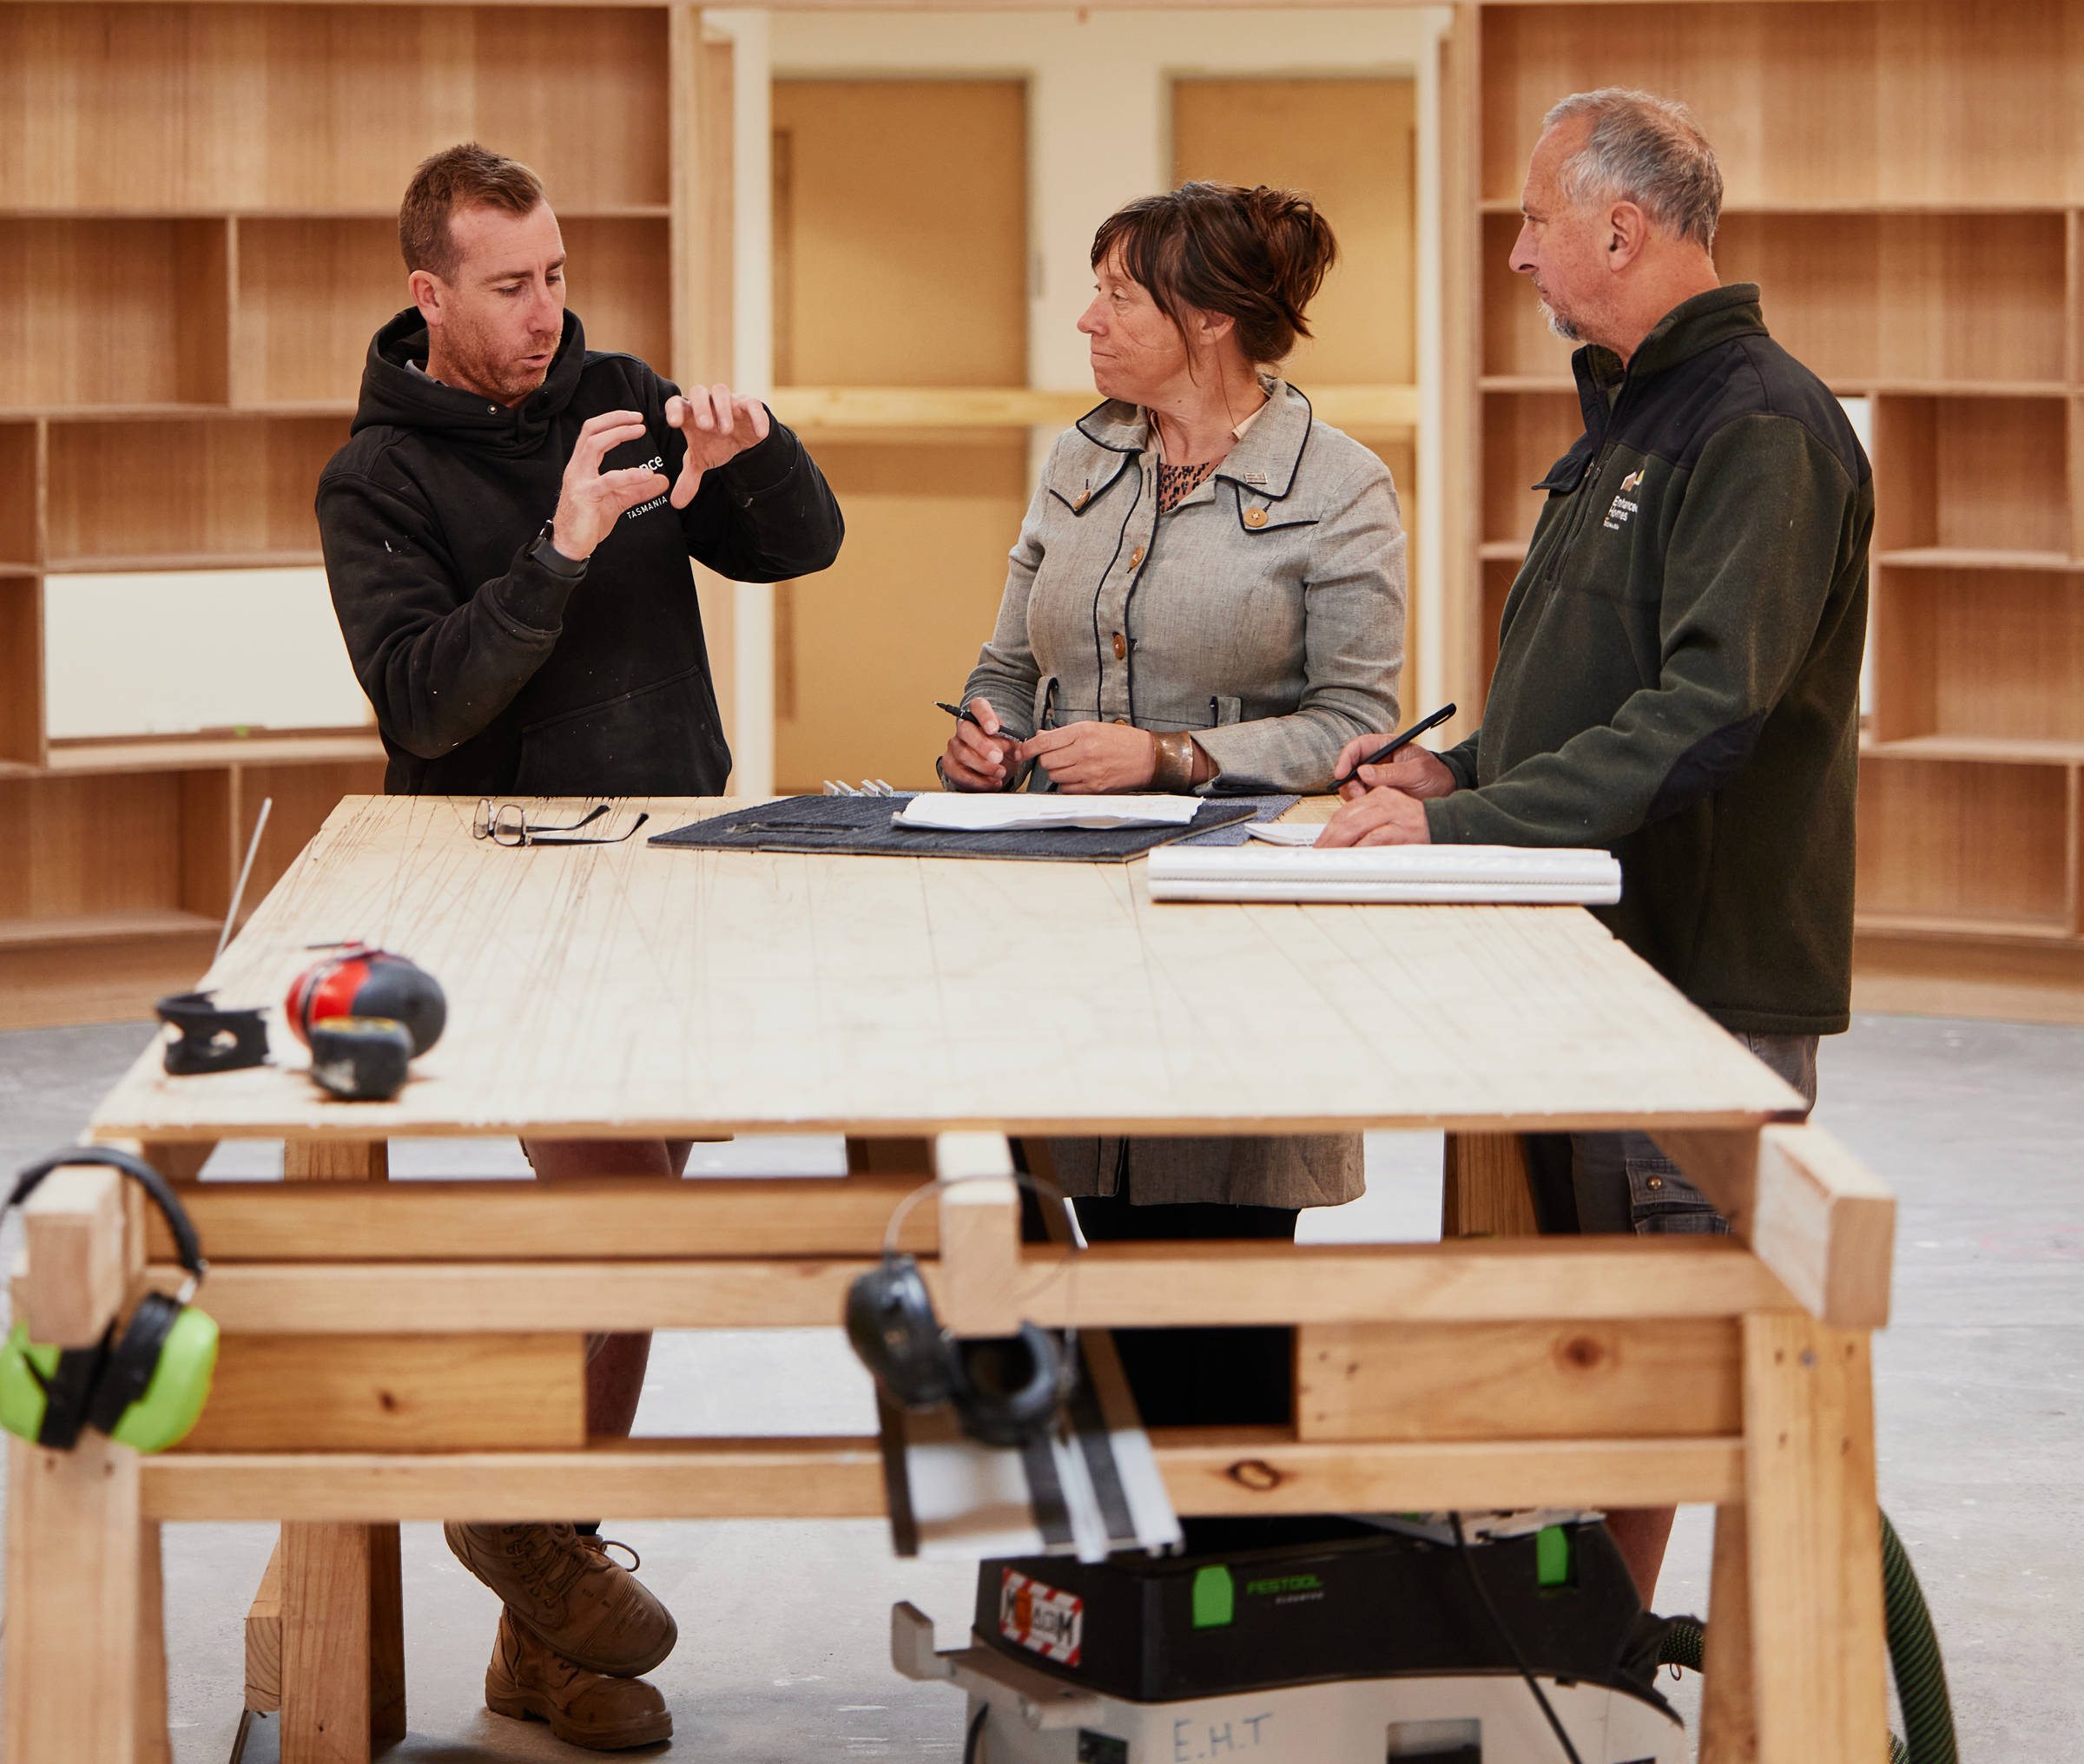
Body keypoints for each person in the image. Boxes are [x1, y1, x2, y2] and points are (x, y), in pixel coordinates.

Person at [316, 139, 843, 1752]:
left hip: (672, 853)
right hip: (497, 877)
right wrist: (555, 548)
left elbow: (797, 547)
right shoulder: (376, 480)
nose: (548, 313)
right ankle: (518, 1518)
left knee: (641, 1213)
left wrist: (751, 455)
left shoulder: (613, 382)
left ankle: (538, 1626)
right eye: (510, 286)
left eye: (554, 275)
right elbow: (422, 701)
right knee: (619, 1210)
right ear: (430, 295)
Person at [1322, 88, 1871, 1596]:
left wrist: (1469, 829)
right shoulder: (1634, 416)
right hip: (1588, 961)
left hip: (1695, 978)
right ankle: (1580, 1653)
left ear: (1621, 227)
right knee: (1590, 1335)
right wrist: (1457, 775)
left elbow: (1707, 712)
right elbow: (1593, 694)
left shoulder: (1757, 425)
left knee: (1662, 1358)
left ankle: (1608, 1666)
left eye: (1535, 220)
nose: (1517, 254)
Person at [940, 179, 1407, 1418]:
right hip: (1057, 916)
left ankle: (1225, 1575)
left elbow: (1359, 723)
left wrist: (1174, 759)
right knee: (1064, 1260)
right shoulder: (1082, 453)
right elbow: (1006, 667)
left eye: (1115, 295)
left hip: (1229, 931)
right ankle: (1111, 1576)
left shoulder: (1343, 486)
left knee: (1214, 1285)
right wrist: (988, 736)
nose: (1086, 322)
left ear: (1206, 321)